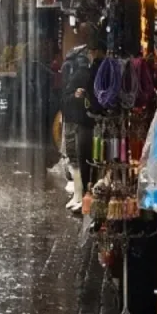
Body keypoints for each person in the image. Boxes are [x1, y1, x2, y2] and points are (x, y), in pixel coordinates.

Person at [61, 25, 106, 213]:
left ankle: (85, 197)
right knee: (82, 159)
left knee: (84, 159)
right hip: (84, 121)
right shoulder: (85, 71)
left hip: (86, 122)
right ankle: (83, 196)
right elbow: (68, 97)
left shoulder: (93, 69)